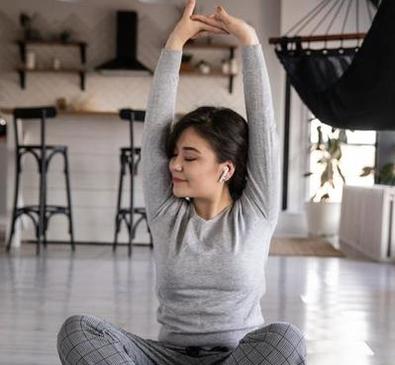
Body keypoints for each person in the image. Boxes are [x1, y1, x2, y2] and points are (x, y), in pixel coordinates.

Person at [56, 1, 306, 364]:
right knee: (77, 330)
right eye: (175, 154)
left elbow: (264, 127)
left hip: (235, 357)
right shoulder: (166, 213)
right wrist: (174, 43)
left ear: (226, 168)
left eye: (190, 157)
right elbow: (156, 125)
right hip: (166, 357)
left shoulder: (256, 211)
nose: (174, 164)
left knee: (287, 338)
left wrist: (249, 40)